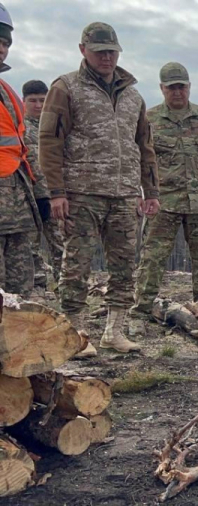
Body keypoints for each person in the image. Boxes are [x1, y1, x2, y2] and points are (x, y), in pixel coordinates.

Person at [40, 22, 159, 354]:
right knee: (76, 264)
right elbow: (49, 142)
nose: (107, 58)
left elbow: (145, 146)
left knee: (125, 266)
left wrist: (151, 191)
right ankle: (76, 334)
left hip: (123, 194)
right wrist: (57, 191)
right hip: (81, 192)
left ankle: (114, 331)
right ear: (83, 50)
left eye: (112, 52)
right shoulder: (65, 88)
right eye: (100, 51)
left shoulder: (133, 95)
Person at [132, 62, 198, 317]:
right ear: (162, 88)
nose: (177, 92)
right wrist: (138, 191)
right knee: (153, 256)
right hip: (162, 202)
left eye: (181, 86)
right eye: (171, 87)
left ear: (189, 87)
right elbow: (135, 157)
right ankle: (143, 307)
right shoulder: (149, 120)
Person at [0, 3, 40, 296]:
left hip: (14, 200)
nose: (2, 49)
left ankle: (17, 339)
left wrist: (39, 195)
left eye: (5, 43)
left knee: (18, 287)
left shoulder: (8, 90)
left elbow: (20, 149)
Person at [22, 79, 63, 290]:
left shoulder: (57, 127)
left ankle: (65, 289)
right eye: (33, 101)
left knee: (61, 245)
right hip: (28, 197)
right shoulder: (18, 128)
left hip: (56, 195)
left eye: (42, 100)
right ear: (24, 102)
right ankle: (38, 287)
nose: (38, 105)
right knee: (31, 246)